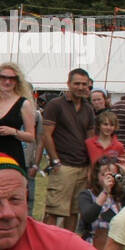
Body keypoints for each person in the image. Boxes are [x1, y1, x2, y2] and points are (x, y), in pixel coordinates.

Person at [37, 68, 96, 232]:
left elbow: (91, 141)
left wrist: (92, 167)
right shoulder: (56, 105)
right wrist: (55, 160)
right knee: (53, 211)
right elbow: (46, 135)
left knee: (74, 212)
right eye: (77, 83)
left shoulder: (88, 109)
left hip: (83, 167)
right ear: (68, 84)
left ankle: (67, 248)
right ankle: (45, 245)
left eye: (84, 84)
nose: (80, 87)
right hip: (63, 166)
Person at [0, 61, 35, 170]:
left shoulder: (24, 104)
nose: (7, 82)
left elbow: (31, 137)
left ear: (17, 81)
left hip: (12, 156)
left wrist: (13, 132)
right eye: (3, 77)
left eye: (12, 78)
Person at [77, 155, 125, 250]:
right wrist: (105, 192)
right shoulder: (86, 195)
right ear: (96, 176)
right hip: (92, 246)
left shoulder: (122, 196)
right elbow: (88, 217)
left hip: (116, 247)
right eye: (104, 175)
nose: (109, 178)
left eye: (112, 175)